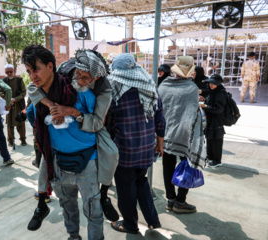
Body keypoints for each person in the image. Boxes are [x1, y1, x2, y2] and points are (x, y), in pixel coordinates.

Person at [27, 49, 119, 225]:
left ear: (96, 78)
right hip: (56, 121)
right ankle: (41, 201)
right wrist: (53, 108)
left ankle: (105, 196)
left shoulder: (104, 90)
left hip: (91, 124)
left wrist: (73, 113)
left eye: (86, 78)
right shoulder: (65, 71)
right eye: (78, 74)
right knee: (47, 152)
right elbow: (32, 90)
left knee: (112, 153)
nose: (80, 80)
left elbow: (98, 122)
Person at [106, 54, 165, 233]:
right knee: (142, 181)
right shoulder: (150, 87)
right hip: (146, 149)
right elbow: (160, 120)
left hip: (124, 152)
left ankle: (130, 225)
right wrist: (159, 145)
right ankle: (153, 220)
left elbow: (106, 124)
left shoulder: (113, 92)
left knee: (126, 191)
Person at [158, 56, 207, 213]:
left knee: (167, 166)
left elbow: (158, 110)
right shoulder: (191, 88)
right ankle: (180, 201)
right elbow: (192, 114)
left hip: (165, 134)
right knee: (187, 165)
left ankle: (170, 200)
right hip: (184, 135)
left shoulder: (163, 86)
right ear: (191, 71)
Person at [200, 74, 227, 168]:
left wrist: (206, 106)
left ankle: (217, 160)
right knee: (210, 139)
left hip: (217, 121)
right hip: (210, 120)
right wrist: (204, 101)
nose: (211, 85)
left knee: (216, 140)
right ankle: (211, 157)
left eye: (213, 84)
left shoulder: (221, 93)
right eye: (210, 83)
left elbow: (218, 109)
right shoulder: (213, 91)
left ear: (218, 84)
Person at [1, 64, 27, 146]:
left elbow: (23, 92)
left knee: (20, 122)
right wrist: (8, 99)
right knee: (9, 123)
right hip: (8, 105)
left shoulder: (19, 80)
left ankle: (23, 139)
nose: (9, 73)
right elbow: (1, 92)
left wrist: (15, 99)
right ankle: (11, 140)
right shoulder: (3, 81)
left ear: (14, 71)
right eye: (7, 72)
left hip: (19, 104)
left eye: (10, 71)